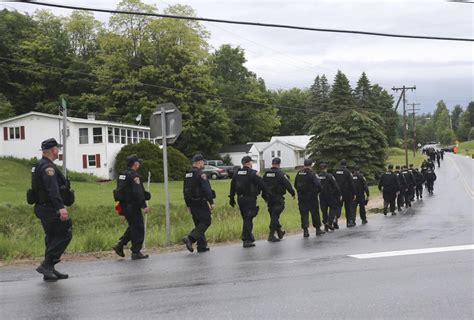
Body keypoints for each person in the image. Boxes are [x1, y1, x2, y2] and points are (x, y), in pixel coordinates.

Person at [32, 138, 73, 281]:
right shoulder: (48, 168)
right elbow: (53, 190)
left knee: (52, 237)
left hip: (44, 207)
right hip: (50, 207)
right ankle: (47, 265)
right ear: (53, 150)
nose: (58, 151)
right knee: (65, 233)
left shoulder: (40, 164)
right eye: (57, 149)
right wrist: (61, 208)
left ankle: (49, 270)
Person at [112, 155, 150, 260]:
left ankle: (120, 244)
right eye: (138, 162)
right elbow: (137, 192)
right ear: (135, 163)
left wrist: (146, 194)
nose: (139, 164)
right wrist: (144, 205)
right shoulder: (134, 176)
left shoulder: (122, 175)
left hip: (124, 205)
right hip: (133, 206)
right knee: (138, 228)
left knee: (133, 226)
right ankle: (136, 252)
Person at [229, 156, 266, 248]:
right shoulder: (252, 173)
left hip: (240, 199)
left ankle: (249, 235)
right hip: (250, 199)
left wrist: (232, 198)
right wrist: (266, 195)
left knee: (246, 218)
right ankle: (246, 239)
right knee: (248, 218)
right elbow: (263, 185)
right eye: (251, 162)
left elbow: (232, 186)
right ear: (249, 163)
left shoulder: (236, 173)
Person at [182, 154, 215, 253]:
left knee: (198, 224)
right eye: (203, 162)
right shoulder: (201, 174)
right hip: (201, 201)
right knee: (206, 221)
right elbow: (206, 189)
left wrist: (188, 204)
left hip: (192, 202)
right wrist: (211, 202)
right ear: (199, 162)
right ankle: (190, 238)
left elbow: (185, 191)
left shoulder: (188, 174)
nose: (203, 164)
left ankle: (201, 246)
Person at [263, 157, 295, 242]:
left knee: (274, 215)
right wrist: (292, 193)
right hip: (277, 198)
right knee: (275, 216)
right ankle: (271, 235)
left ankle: (279, 232)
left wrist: (264, 197)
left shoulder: (266, 173)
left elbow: (262, 185)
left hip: (269, 198)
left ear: (272, 164)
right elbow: (288, 185)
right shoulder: (281, 174)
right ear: (279, 164)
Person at [294, 159, 325, 237]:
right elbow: (318, 184)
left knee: (304, 213)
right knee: (315, 213)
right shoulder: (312, 173)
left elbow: (295, 185)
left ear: (304, 165)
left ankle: (305, 231)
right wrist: (318, 191)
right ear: (311, 165)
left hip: (302, 197)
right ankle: (318, 229)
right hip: (312, 197)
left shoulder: (299, 173)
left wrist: (300, 192)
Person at [318, 163, 342, 232]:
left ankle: (325, 225)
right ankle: (329, 222)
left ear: (320, 169)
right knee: (333, 208)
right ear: (326, 168)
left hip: (322, 195)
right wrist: (339, 194)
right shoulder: (330, 176)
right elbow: (335, 185)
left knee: (324, 211)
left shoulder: (317, 176)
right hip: (330, 195)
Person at [334, 159, 356, 227]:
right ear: (346, 164)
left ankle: (335, 218)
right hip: (347, 192)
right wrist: (354, 193)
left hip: (338, 192)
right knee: (349, 207)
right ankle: (349, 222)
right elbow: (351, 183)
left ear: (340, 164)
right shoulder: (347, 172)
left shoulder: (335, 171)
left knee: (338, 206)